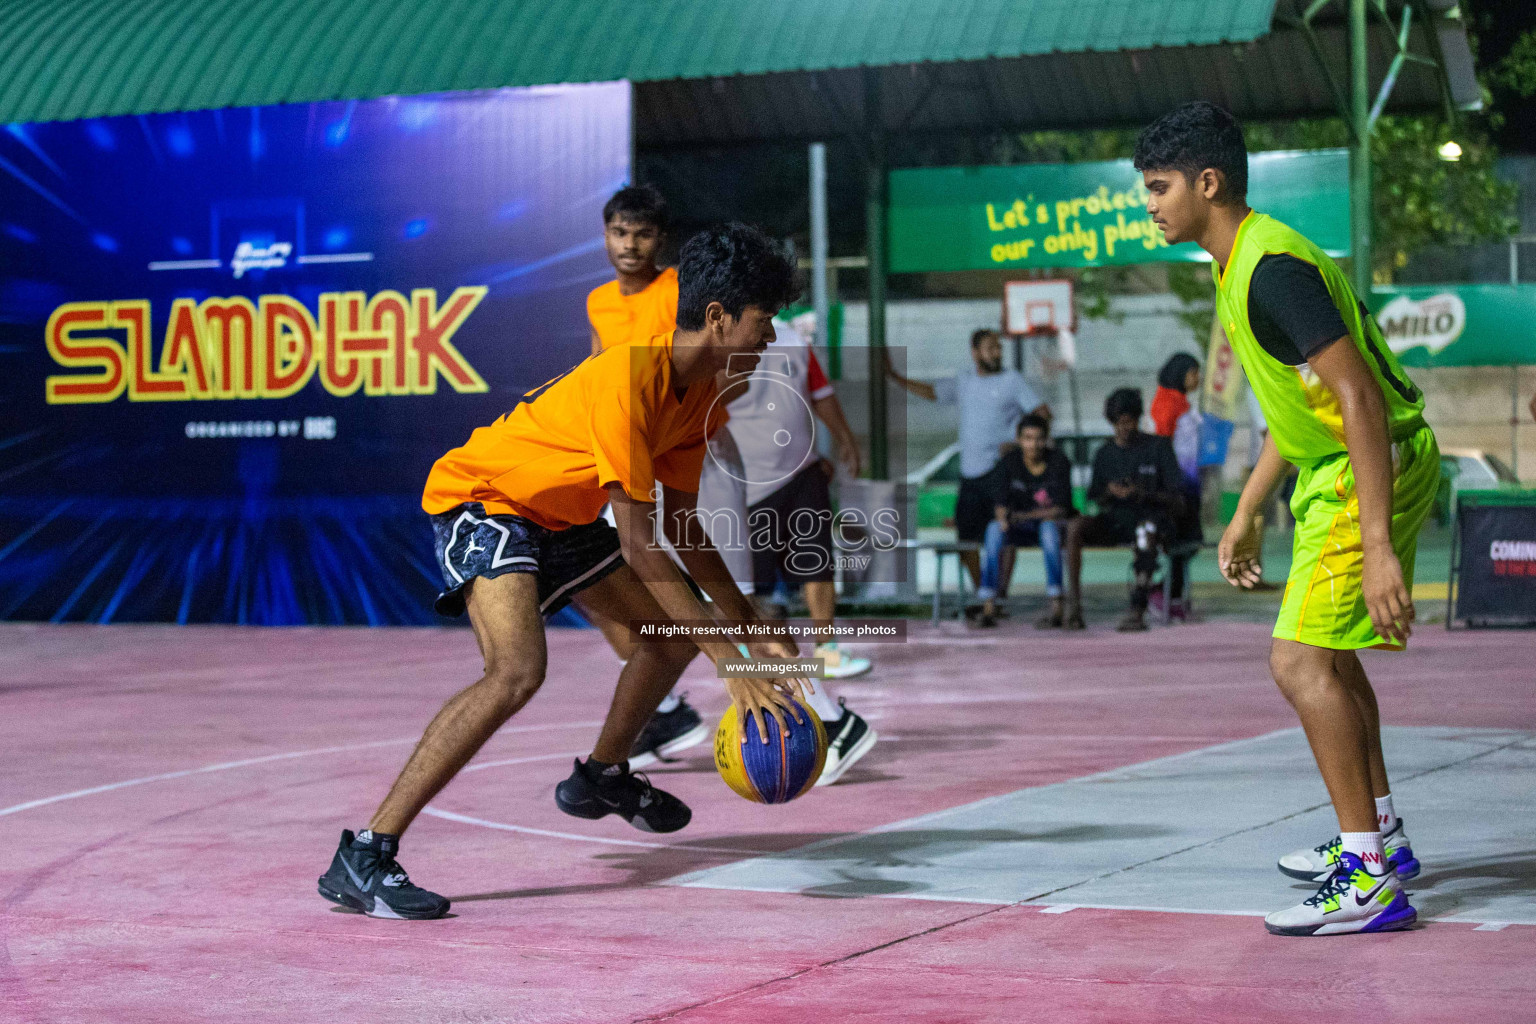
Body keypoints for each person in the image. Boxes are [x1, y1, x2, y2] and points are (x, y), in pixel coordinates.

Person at [317, 224, 807, 920]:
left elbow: (684, 529)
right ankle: (364, 853)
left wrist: (747, 628)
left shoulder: (706, 397)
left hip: (562, 518)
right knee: (517, 671)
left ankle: (602, 779)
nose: (772, 338)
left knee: (667, 638)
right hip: (487, 502)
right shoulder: (627, 378)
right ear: (721, 318)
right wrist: (732, 663)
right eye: (765, 321)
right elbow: (641, 544)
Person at [1137, 101, 1435, 936]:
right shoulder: (1235, 266)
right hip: (1334, 466)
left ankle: (1370, 876)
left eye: (1159, 188)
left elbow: (1359, 398)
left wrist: (1377, 547)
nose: (1149, 204)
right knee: (1329, 662)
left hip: (1365, 466)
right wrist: (1245, 510)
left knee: (1299, 664)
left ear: (1208, 182)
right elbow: (1298, 405)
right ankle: (1381, 838)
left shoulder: (1270, 268)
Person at [709, 317, 879, 783]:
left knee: (755, 606)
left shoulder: (778, 339)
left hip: (747, 480)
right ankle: (825, 716)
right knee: (736, 613)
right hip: (734, 483)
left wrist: (843, 437)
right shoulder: (702, 338)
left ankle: (829, 704)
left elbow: (817, 395)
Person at [581, 185, 708, 767]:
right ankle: (662, 711)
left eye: (643, 233)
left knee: (721, 594)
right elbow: (595, 372)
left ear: (661, 240)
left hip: (679, 458)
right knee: (595, 591)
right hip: (618, 462)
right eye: (619, 232)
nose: (630, 244)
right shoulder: (598, 302)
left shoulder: (679, 289)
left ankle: (818, 711)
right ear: (606, 235)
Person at [1063, 388, 1184, 633]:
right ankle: (1073, 605)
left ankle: (1137, 608)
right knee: (1074, 527)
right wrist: (1111, 493)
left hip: (1151, 520)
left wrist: (1141, 493)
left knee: (1145, 531)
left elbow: (1176, 497)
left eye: (1129, 421)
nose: (1125, 427)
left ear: (1138, 419)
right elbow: (1095, 496)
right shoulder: (1105, 453)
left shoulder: (1158, 447)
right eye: (1119, 422)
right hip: (1114, 521)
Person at [955, 329, 1051, 601]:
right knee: (966, 538)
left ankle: (1000, 592)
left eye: (999, 347)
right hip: (970, 473)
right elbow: (934, 392)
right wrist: (895, 377)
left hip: (999, 469)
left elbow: (1042, 413)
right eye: (990, 348)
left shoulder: (1011, 380)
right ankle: (983, 593)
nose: (997, 353)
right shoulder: (964, 381)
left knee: (1002, 530)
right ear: (975, 352)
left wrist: (1022, 444)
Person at [975, 413, 1077, 629]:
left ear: (1046, 439)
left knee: (1049, 530)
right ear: (1019, 440)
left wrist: (1021, 516)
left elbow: (1060, 509)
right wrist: (1003, 518)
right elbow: (1000, 503)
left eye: (1039, 438)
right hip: (1017, 527)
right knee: (993, 530)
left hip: (1046, 527)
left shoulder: (1058, 462)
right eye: (1028, 438)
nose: (1034, 444)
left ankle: (1057, 603)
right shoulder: (1009, 463)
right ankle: (988, 604)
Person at [1149, 352, 1204, 619]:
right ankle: (1163, 591)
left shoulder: (1180, 401)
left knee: (1190, 541)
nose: (1198, 378)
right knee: (1183, 541)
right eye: (1194, 372)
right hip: (1179, 484)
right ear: (1181, 373)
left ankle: (1171, 591)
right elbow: (1163, 442)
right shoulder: (1168, 402)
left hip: (1190, 480)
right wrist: (1171, 484)